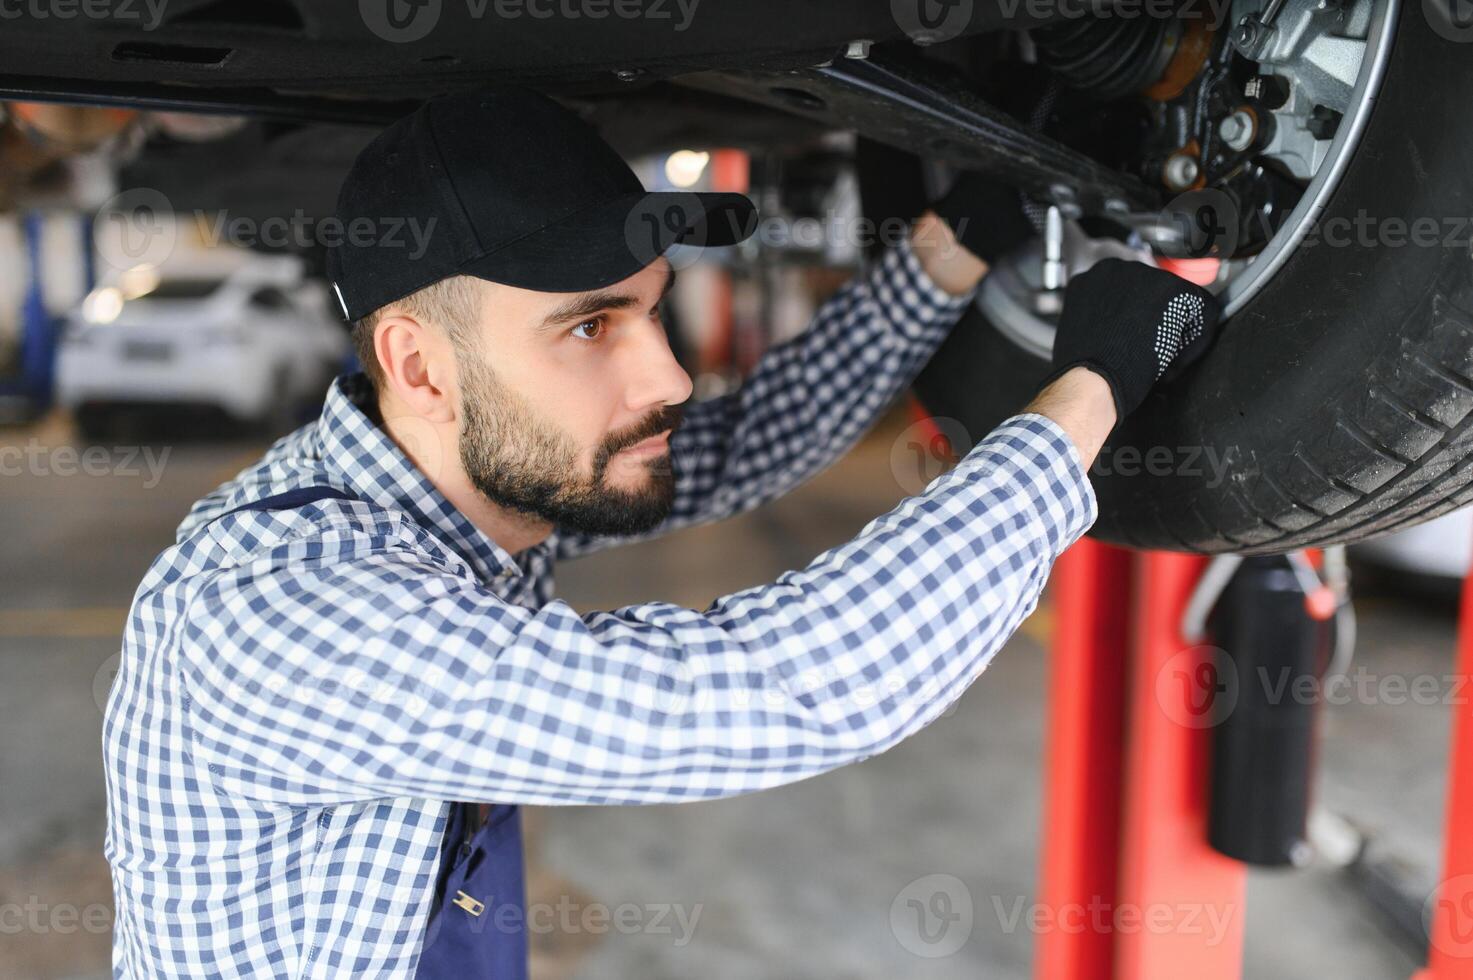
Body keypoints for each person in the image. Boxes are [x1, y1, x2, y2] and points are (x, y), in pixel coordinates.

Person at [102, 87, 1221, 978]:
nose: (672, 373)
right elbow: (771, 687)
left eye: (648, 307)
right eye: (589, 325)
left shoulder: (454, 498)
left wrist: (954, 242)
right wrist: (1088, 391)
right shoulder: (282, 615)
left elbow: (745, 443)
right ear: (419, 364)